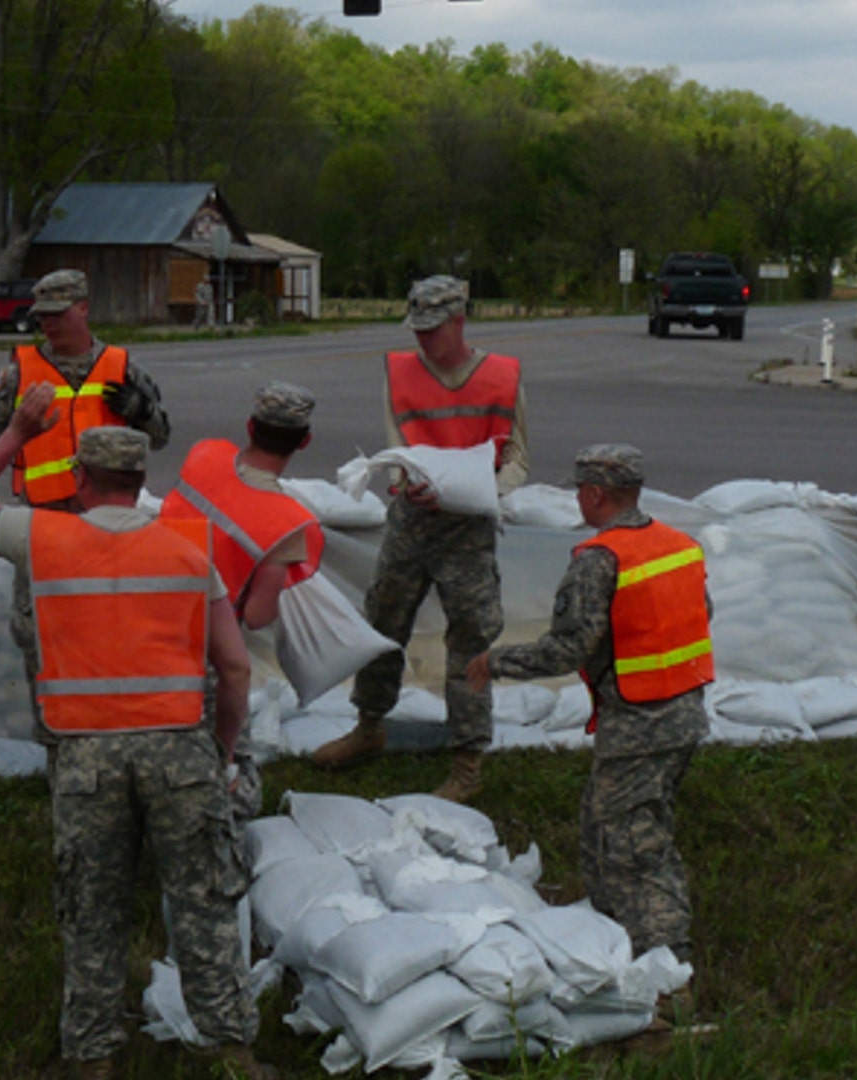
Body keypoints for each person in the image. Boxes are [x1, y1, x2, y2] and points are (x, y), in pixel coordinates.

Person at [0, 408, 273, 1080]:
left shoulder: (42, 537)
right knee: (205, 901)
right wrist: (224, 751)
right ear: (141, 479)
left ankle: (92, 1059)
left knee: (93, 909)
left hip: (85, 756)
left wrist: (13, 438)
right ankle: (230, 1053)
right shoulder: (187, 546)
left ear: (82, 479)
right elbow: (234, 669)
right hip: (180, 753)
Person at [463, 444, 711, 1016]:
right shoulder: (679, 545)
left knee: (638, 847)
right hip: (682, 712)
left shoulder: (600, 559)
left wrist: (495, 662)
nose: (577, 499)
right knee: (602, 825)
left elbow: (569, 646)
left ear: (596, 494)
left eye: (579, 490)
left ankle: (671, 977)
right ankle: (608, 939)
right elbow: (702, 614)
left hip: (640, 725)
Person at [313, 274, 530, 804]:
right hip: (412, 522)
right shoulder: (398, 372)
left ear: (459, 321)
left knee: (471, 639)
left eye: (432, 329)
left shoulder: (503, 377)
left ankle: (468, 761)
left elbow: (519, 457)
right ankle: (369, 726)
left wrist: (486, 490)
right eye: (417, 329)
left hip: (469, 530)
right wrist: (402, 482)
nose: (422, 341)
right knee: (383, 622)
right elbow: (397, 444)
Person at [0, 268, 173, 745]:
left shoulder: (123, 368)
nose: (49, 324)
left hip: (109, 523)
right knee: (37, 626)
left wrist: (140, 411)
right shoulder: (21, 370)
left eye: (58, 314)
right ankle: (55, 736)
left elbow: (161, 436)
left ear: (83, 308)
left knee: (113, 619)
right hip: (44, 520)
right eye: (42, 316)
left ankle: (112, 722)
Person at [159, 380, 323, 631]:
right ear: (305, 441)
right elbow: (257, 616)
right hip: (204, 632)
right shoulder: (286, 522)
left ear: (250, 427)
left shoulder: (203, 454)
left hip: (155, 596)